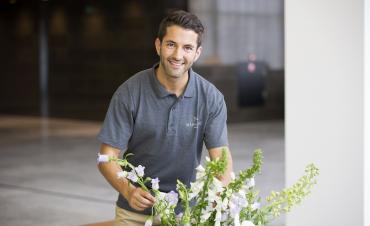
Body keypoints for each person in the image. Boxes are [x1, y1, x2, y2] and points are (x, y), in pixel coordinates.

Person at [97, 10, 234, 226]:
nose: (178, 55)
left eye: (187, 48)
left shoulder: (212, 98)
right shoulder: (129, 92)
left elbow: (222, 160)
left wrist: (220, 196)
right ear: (158, 45)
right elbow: (106, 157)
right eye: (171, 44)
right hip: (135, 212)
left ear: (197, 53)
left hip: (187, 211)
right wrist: (128, 190)